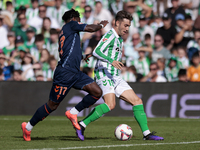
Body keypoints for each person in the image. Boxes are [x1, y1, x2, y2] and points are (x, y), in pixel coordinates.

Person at [74, 10, 164, 141]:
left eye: (129, 26)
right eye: (125, 25)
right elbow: (97, 50)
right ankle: (82, 125)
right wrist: (110, 60)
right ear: (116, 23)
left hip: (115, 76)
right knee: (110, 104)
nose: (127, 29)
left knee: (137, 101)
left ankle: (146, 134)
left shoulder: (119, 38)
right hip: (104, 74)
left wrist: (92, 56)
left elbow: (99, 52)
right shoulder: (110, 35)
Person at [21, 9, 108, 141]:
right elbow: (91, 28)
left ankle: (73, 112)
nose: (80, 21)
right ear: (74, 18)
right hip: (65, 73)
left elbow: (67, 52)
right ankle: (27, 127)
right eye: (79, 18)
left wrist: (82, 56)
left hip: (75, 72)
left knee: (97, 92)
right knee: (52, 105)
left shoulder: (67, 31)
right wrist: (101, 25)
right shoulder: (71, 25)